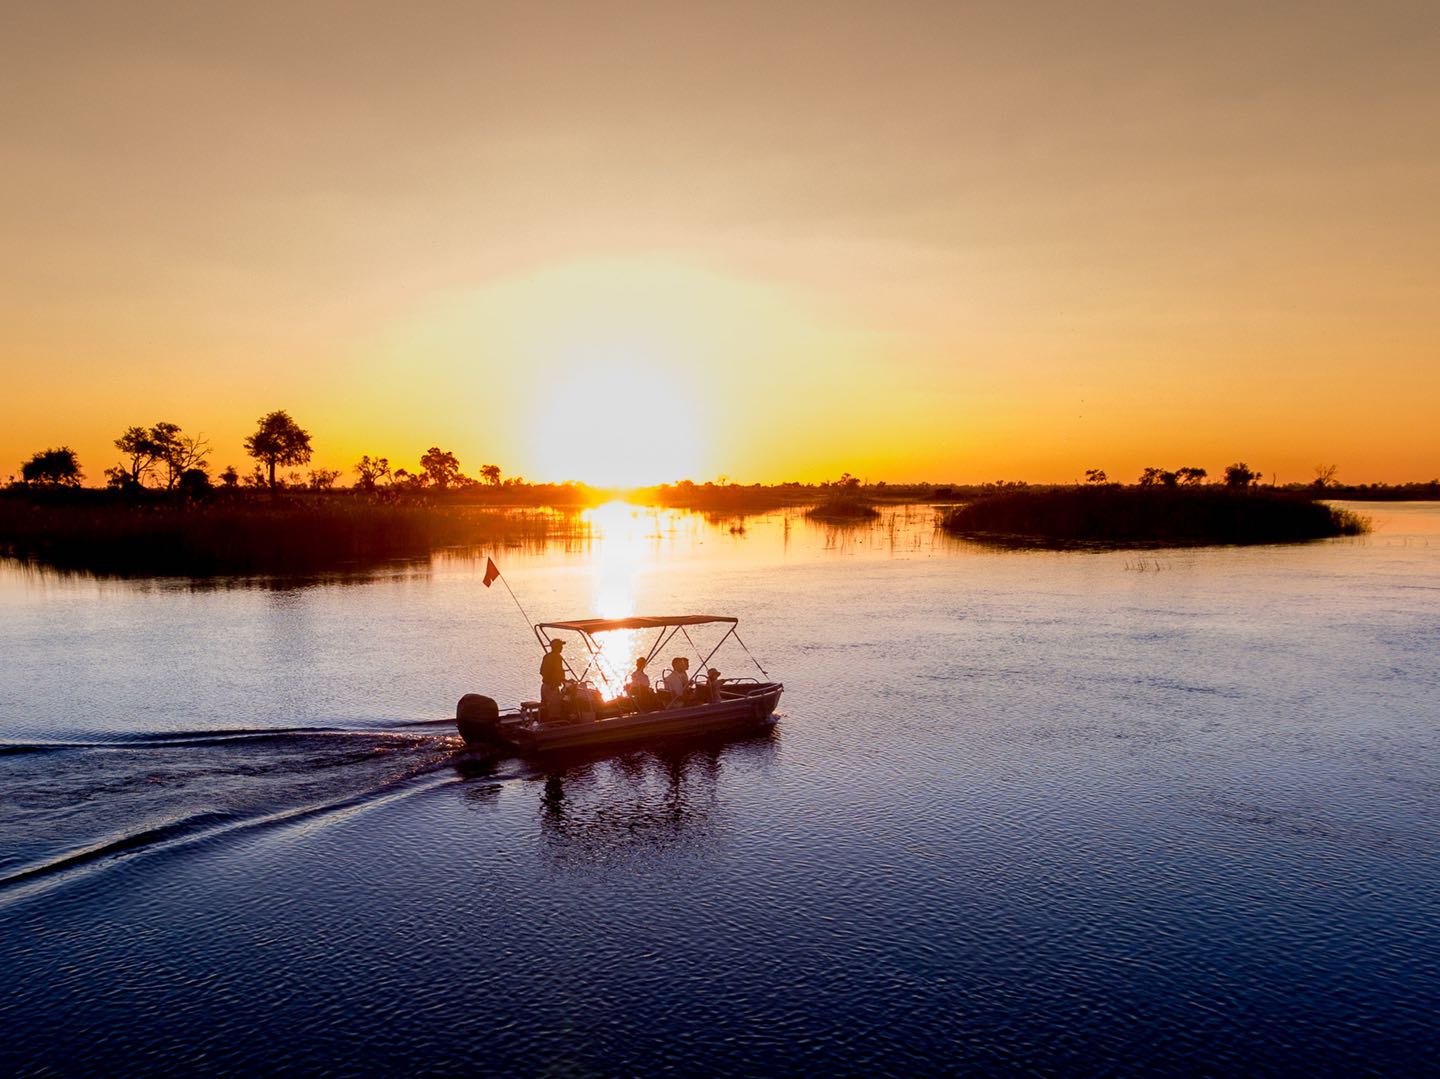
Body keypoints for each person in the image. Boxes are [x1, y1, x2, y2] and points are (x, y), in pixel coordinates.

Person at [540, 638, 566, 719]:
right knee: (555, 712)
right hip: (552, 687)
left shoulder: (546, 656)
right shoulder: (557, 657)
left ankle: (545, 723)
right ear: (557, 647)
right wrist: (562, 680)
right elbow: (558, 672)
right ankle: (554, 726)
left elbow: (542, 671)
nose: (562, 648)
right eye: (560, 646)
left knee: (546, 708)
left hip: (544, 686)